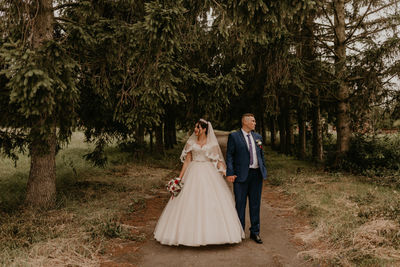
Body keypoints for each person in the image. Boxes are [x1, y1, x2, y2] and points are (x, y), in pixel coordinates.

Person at [154, 119, 245, 246]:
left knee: (212, 202)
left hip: (208, 172)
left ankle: (214, 234)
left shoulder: (212, 144)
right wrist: (179, 178)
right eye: (195, 127)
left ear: (204, 129)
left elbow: (218, 161)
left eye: (198, 127)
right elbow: (187, 161)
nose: (195, 130)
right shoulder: (191, 143)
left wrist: (227, 173)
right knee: (188, 201)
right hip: (193, 172)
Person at [226, 113, 267, 244]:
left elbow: (261, 155)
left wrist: (263, 170)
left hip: (256, 175)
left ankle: (255, 232)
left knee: (255, 204)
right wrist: (230, 172)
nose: (255, 123)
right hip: (241, 175)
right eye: (253, 121)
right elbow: (230, 156)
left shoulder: (258, 137)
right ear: (245, 122)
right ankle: (239, 231)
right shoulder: (234, 136)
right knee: (240, 204)